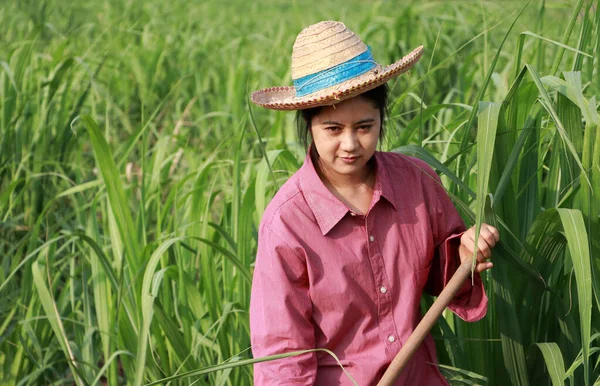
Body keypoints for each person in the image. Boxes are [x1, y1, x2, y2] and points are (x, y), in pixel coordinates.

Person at [249, 21, 499, 386]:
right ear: (309, 124)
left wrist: (465, 253)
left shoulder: (416, 182)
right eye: (333, 129)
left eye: (364, 126)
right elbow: (282, 355)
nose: (350, 144)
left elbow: (448, 278)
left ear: (382, 118)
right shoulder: (287, 223)